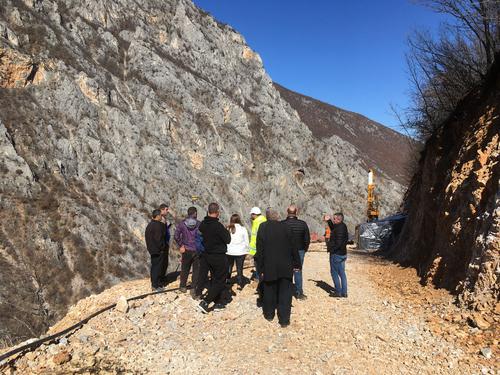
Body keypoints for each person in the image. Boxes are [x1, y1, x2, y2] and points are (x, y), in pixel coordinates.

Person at [256, 209, 301, 328]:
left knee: (269, 289)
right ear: (278, 217)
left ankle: (269, 314)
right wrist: (297, 264)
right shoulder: (286, 227)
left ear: (267, 217)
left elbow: (259, 250)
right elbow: (294, 247)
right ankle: (284, 319)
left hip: (269, 265)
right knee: (285, 293)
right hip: (286, 265)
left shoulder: (263, 227)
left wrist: (259, 268)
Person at [197, 203, 231, 313]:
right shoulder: (218, 226)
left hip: (207, 255)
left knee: (214, 279)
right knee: (220, 280)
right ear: (217, 212)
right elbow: (228, 240)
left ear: (208, 212)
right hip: (218, 256)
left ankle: (219, 302)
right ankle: (206, 302)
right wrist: (226, 230)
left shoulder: (203, 224)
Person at [282, 205, 310, 300]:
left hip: (286, 250)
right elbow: (307, 239)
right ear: (296, 212)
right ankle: (299, 293)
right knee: (298, 271)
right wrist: (304, 249)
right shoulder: (303, 224)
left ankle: (286, 293)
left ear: (287, 211)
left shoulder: (282, 224)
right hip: (300, 250)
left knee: (286, 271)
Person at [174, 207, 201, 296]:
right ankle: (193, 288)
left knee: (185, 269)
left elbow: (176, 235)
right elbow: (202, 237)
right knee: (196, 270)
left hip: (186, 249)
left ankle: (182, 286)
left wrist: (181, 245)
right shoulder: (199, 224)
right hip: (196, 250)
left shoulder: (182, 224)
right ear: (195, 213)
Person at [324, 212, 349, 297]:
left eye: (334, 218)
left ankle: (338, 292)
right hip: (342, 253)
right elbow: (333, 228)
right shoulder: (342, 226)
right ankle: (344, 292)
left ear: (339, 219)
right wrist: (329, 221)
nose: (333, 220)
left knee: (334, 272)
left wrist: (332, 250)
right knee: (342, 273)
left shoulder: (339, 228)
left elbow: (338, 243)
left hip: (336, 254)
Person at [145, 209, 168, 291]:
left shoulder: (150, 225)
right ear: (157, 216)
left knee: (154, 267)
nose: (161, 217)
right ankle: (156, 285)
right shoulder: (157, 226)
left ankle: (154, 284)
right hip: (158, 250)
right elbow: (159, 239)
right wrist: (162, 248)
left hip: (152, 250)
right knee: (157, 268)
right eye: (161, 216)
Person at [226, 214, 249, 290]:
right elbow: (246, 241)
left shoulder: (228, 229)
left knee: (229, 266)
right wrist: (247, 251)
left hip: (229, 252)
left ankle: (228, 280)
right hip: (240, 252)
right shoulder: (243, 229)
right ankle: (239, 283)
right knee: (239, 268)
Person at [249, 207, 267, 281]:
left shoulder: (257, 222)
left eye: (251, 214)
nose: (251, 216)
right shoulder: (264, 220)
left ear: (254, 214)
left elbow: (255, 237)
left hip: (257, 248)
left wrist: (251, 250)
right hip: (264, 247)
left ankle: (258, 278)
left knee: (257, 264)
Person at [159, 203, 172, 281]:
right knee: (162, 262)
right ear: (162, 209)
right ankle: (161, 278)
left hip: (166, 242)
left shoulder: (164, 218)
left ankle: (163, 276)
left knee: (165, 261)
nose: (167, 211)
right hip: (162, 243)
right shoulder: (160, 219)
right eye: (166, 209)